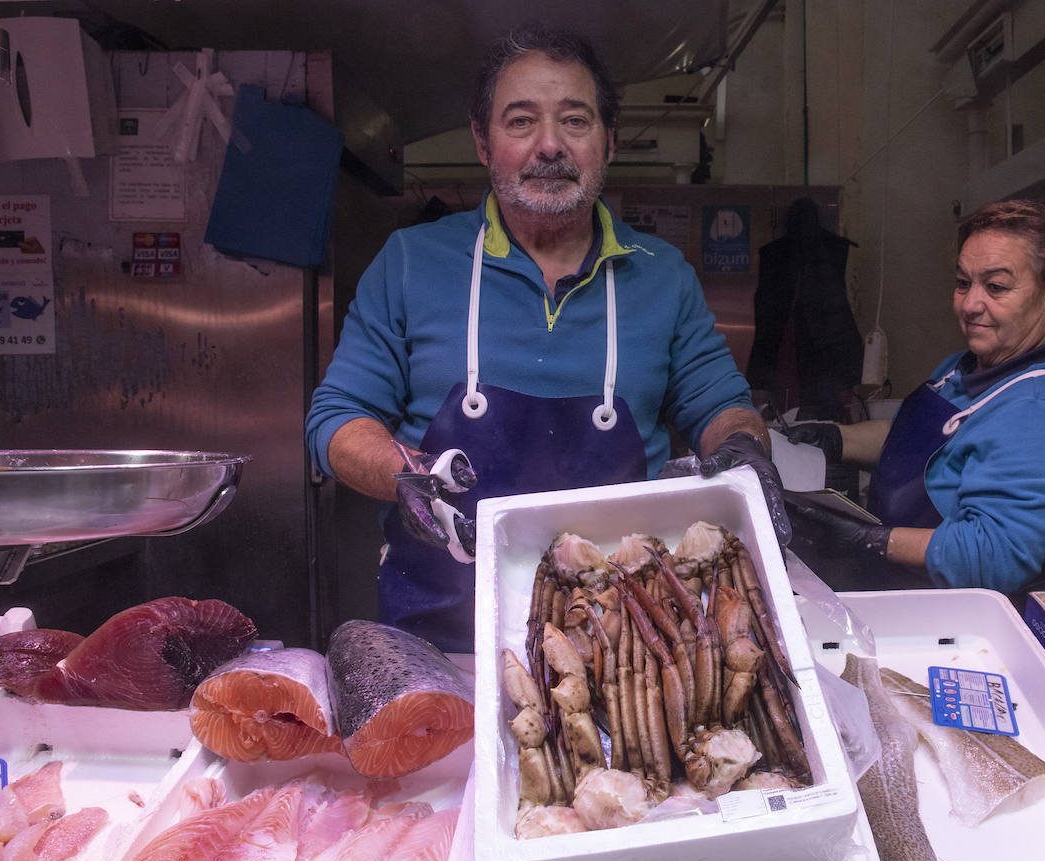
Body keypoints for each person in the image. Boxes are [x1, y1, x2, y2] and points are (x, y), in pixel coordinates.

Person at [306, 24, 789, 652]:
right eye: (520, 122)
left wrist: (745, 450)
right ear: (483, 142)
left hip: (622, 638)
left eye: (576, 121)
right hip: (441, 631)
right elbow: (337, 419)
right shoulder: (409, 262)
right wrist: (405, 476)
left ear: (609, 140)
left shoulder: (663, 275)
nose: (549, 146)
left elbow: (721, 408)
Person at [785, 198, 1045, 599]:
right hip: (903, 590)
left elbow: (994, 555)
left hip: (970, 623)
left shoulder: (1036, 409)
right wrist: (833, 439)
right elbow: (920, 445)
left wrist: (870, 539)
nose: (969, 305)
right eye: (963, 283)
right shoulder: (967, 365)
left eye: (996, 287)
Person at [746, 197, 863, 422]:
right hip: (813, 355)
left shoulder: (775, 255)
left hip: (800, 356)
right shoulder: (832, 251)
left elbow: (766, 321)